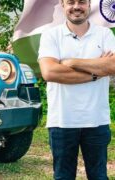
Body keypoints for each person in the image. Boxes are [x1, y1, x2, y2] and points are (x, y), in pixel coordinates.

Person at [38, 0, 113, 179]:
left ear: (89, 5)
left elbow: (113, 65)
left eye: (82, 2)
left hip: (97, 120)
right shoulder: (51, 35)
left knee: (99, 176)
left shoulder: (104, 34)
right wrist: (96, 72)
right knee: (63, 176)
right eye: (71, 2)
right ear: (62, 5)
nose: (76, 6)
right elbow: (50, 72)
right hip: (62, 121)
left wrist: (71, 62)